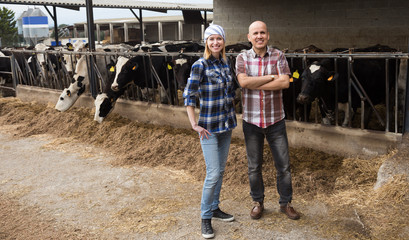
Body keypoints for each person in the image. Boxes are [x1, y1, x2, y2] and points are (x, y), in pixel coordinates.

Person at [235, 20, 300, 221]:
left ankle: (285, 203)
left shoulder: (279, 55)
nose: (259, 36)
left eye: (262, 32)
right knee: (254, 166)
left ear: (268, 35)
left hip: (275, 121)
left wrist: (255, 83)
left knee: (284, 166)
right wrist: (271, 78)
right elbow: (243, 82)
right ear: (249, 37)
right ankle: (258, 202)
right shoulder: (241, 57)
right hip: (252, 122)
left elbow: (285, 82)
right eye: (255, 33)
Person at [183, 24, 237, 239]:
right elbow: (189, 95)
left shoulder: (225, 63)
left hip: (226, 125)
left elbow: (231, 91)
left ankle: (215, 208)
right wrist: (193, 123)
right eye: (211, 39)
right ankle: (205, 218)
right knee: (213, 173)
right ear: (206, 42)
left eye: (219, 39)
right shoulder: (200, 65)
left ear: (223, 41)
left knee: (221, 171)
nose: (215, 42)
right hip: (208, 128)